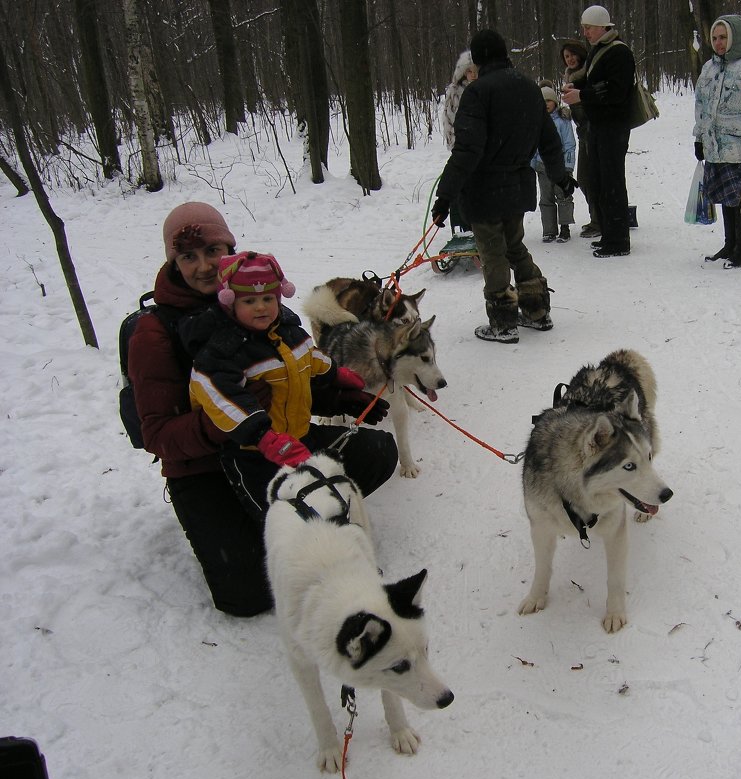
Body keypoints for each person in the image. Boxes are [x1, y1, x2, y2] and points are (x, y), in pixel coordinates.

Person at [128, 203, 396, 617]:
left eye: (213, 251)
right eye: (188, 256)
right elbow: (157, 435)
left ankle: (300, 520)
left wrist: (340, 396)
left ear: (230, 249)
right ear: (173, 262)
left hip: (283, 443)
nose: (203, 266)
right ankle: (233, 520)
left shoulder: (258, 297)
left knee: (378, 453)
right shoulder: (153, 331)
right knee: (249, 594)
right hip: (206, 467)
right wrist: (236, 423)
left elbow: (295, 370)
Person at [180, 251, 397, 519]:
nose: (261, 307)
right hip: (255, 455)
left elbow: (309, 355)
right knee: (281, 518)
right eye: (249, 300)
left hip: (301, 437)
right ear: (230, 302)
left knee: (365, 460)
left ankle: (330, 512)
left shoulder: (287, 330)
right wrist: (264, 437)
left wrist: (334, 374)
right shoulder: (223, 350)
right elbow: (224, 399)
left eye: (268, 298)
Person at [431, 29, 573, 344]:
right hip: (517, 185)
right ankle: (536, 311)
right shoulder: (529, 88)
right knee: (515, 247)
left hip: (485, 187)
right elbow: (549, 141)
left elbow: (467, 151)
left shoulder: (478, 92)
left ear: (479, 59)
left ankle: (503, 321)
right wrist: (560, 176)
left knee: (493, 252)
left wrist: (445, 196)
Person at [693, 14, 741, 268]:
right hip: (715, 147)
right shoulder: (709, 68)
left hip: (740, 148)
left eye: (723, 37)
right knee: (725, 198)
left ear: (735, 37)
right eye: (715, 38)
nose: (718, 42)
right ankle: (729, 243)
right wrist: (699, 138)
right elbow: (701, 107)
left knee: (739, 199)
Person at [561, 5, 635, 258]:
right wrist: (577, 85)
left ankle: (618, 240)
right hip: (599, 127)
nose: (585, 33)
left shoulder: (619, 52)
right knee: (600, 181)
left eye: (589, 27)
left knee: (612, 182)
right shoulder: (598, 51)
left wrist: (581, 94)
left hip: (613, 127)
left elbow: (616, 91)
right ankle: (609, 233)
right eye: (584, 28)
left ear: (603, 26)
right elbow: (595, 82)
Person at [560, 40, 603, 238]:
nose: (570, 59)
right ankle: (597, 219)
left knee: (591, 179)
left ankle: (600, 221)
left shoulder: (587, 75)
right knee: (586, 180)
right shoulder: (570, 78)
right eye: (566, 56)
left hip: (594, 132)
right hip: (583, 133)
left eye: (572, 55)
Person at [532, 86, 576, 243]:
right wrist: (532, 164)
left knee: (563, 196)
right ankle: (549, 230)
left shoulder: (563, 121)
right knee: (546, 198)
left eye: (549, 100)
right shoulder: (536, 121)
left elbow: (570, 144)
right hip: (542, 167)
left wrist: (568, 166)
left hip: (560, 167)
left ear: (555, 102)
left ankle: (565, 226)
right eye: (542, 101)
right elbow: (533, 146)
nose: (546, 104)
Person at [441, 50, 478, 234]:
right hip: (462, 149)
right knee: (460, 187)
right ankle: (463, 227)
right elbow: (449, 120)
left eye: (475, 70)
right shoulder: (455, 92)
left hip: (481, 151)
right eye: (469, 71)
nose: (473, 74)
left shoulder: (484, 89)